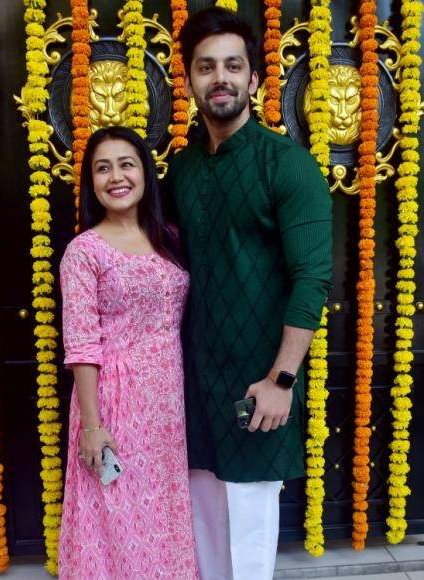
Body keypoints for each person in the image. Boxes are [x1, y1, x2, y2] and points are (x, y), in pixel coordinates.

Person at [166, 7, 333, 580]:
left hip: (259, 383)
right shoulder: (183, 170)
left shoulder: (286, 165)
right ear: (189, 79)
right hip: (194, 380)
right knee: (204, 522)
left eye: (233, 66)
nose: (221, 78)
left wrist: (282, 379)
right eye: (206, 66)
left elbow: (312, 279)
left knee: (250, 525)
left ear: (255, 79)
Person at [58, 126, 198, 579]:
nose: (116, 177)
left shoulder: (169, 239)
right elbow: (81, 343)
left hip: (167, 404)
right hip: (114, 403)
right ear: (91, 182)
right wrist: (92, 426)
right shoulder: (85, 251)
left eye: (126, 164)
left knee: (163, 513)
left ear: (145, 173)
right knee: (116, 513)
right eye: (103, 168)